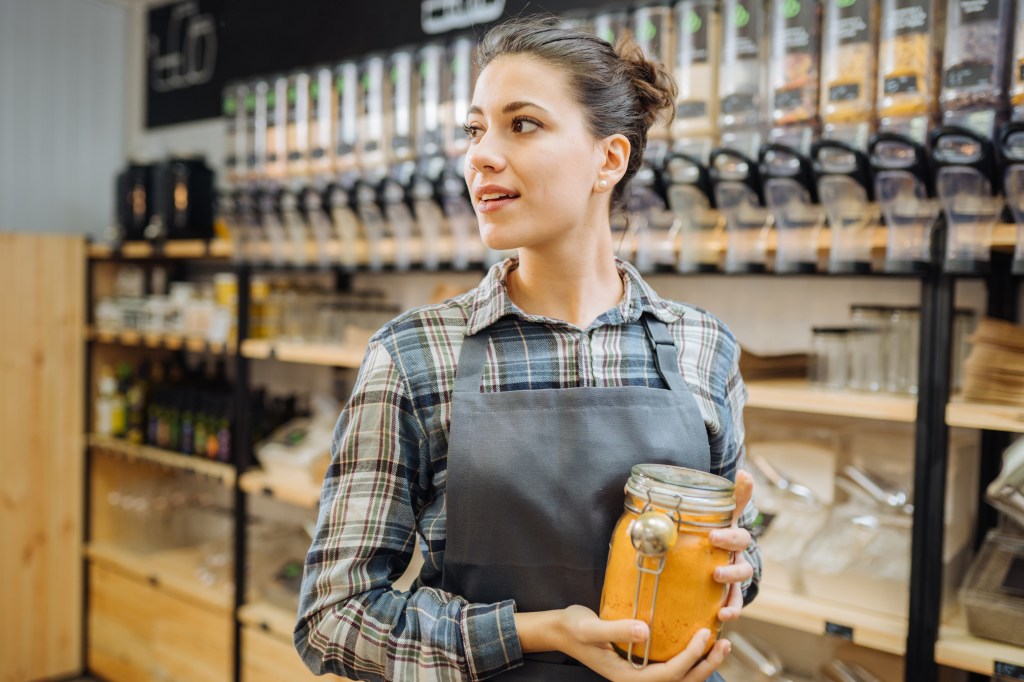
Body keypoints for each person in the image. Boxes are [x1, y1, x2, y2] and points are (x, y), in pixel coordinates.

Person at [295, 16, 761, 682]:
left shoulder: (702, 346)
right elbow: (331, 619)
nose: (479, 155)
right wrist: (537, 633)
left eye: (523, 124)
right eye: (474, 129)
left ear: (610, 158)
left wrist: (740, 567)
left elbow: (737, 551)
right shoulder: (414, 356)